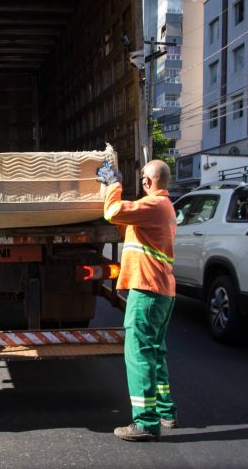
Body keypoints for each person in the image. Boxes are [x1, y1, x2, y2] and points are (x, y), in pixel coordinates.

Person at [97, 157, 178, 442]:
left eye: (142, 177)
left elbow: (113, 212)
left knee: (139, 354)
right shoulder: (163, 207)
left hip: (147, 291)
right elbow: (127, 226)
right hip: (161, 291)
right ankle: (165, 411)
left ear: (147, 181)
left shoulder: (153, 206)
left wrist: (113, 184)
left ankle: (145, 422)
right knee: (155, 352)